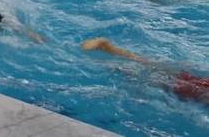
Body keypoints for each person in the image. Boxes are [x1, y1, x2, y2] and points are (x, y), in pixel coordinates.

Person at [81, 38, 209, 106]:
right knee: (139, 75)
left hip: (197, 81)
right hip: (188, 89)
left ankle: (109, 49)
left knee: (148, 63)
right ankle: (104, 62)